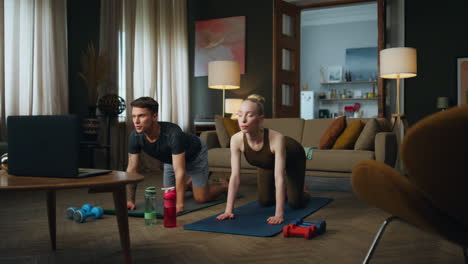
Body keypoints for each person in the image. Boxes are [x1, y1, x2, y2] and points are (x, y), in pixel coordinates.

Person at [216, 94, 308, 225]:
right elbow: (235, 176)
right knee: (265, 201)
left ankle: (302, 191)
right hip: (267, 162)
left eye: (249, 115)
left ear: (260, 119)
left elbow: (279, 177)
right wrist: (228, 210)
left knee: (295, 203)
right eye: (240, 114)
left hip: (293, 155)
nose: (243, 120)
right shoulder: (236, 140)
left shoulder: (277, 139)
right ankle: (290, 190)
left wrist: (279, 215)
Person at [126, 97, 227, 213]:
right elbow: (132, 169)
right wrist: (130, 201)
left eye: (141, 116)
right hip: (171, 160)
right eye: (134, 116)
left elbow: (179, 171)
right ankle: (191, 185)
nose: (136, 121)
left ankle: (224, 186)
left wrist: (179, 204)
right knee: (169, 196)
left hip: (195, 155)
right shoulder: (135, 136)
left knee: (201, 198)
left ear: (154, 117)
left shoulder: (173, 133)